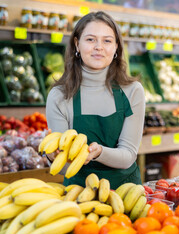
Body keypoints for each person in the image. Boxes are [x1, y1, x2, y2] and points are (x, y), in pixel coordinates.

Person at [46, 11, 145, 189]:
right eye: (90, 39)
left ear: (116, 47)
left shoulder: (132, 91)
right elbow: (63, 167)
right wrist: (53, 157)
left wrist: (99, 152)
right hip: (79, 194)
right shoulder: (59, 95)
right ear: (77, 44)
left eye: (107, 41)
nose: (99, 47)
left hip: (126, 194)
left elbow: (128, 155)